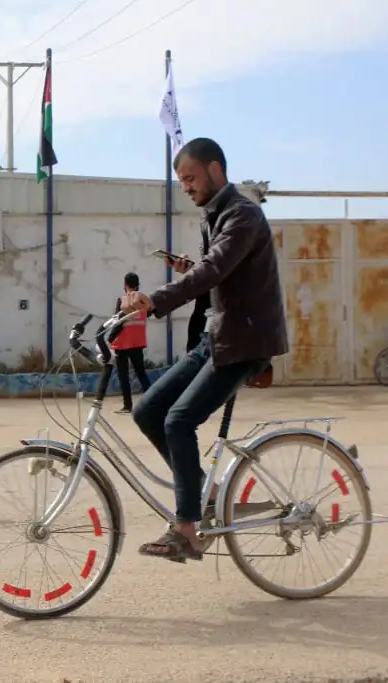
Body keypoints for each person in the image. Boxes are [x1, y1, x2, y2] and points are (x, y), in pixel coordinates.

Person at [120, 138, 288, 562]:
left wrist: (158, 298)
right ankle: (207, 495)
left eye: (191, 178)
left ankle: (187, 529)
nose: (187, 188)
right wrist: (188, 271)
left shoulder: (243, 214)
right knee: (147, 411)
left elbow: (217, 268)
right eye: (182, 182)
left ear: (216, 169)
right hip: (214, 338)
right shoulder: (213, 217)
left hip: (243, 342)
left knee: (178, 421)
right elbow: (218, 272)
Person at [111, 272, 152, 415]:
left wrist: (109, 339)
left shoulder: (122, 300)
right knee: (141, 373)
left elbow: (117, 323)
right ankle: (153, 402)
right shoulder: (143, 301)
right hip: (138, 341)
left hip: (122, 343)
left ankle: (127, 406)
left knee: (124, 376)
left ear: (125, 285)